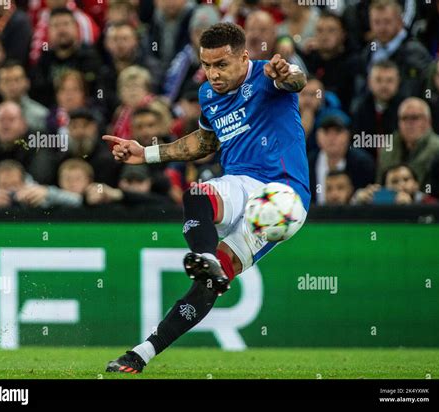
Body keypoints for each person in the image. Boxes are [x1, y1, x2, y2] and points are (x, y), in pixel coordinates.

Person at [103, 22, 310, 374]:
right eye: (207, 65)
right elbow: (203, 144)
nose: (213, 74)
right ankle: (142, 354)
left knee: (218, 247)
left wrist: (287, 71)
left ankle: (208, 260)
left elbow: (295, 80)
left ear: (244, 57)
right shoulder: (208, 96)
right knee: (199, 211)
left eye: (222, 65)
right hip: (240, 182)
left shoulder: (267, 76)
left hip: (284, 194)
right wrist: (146, 154)